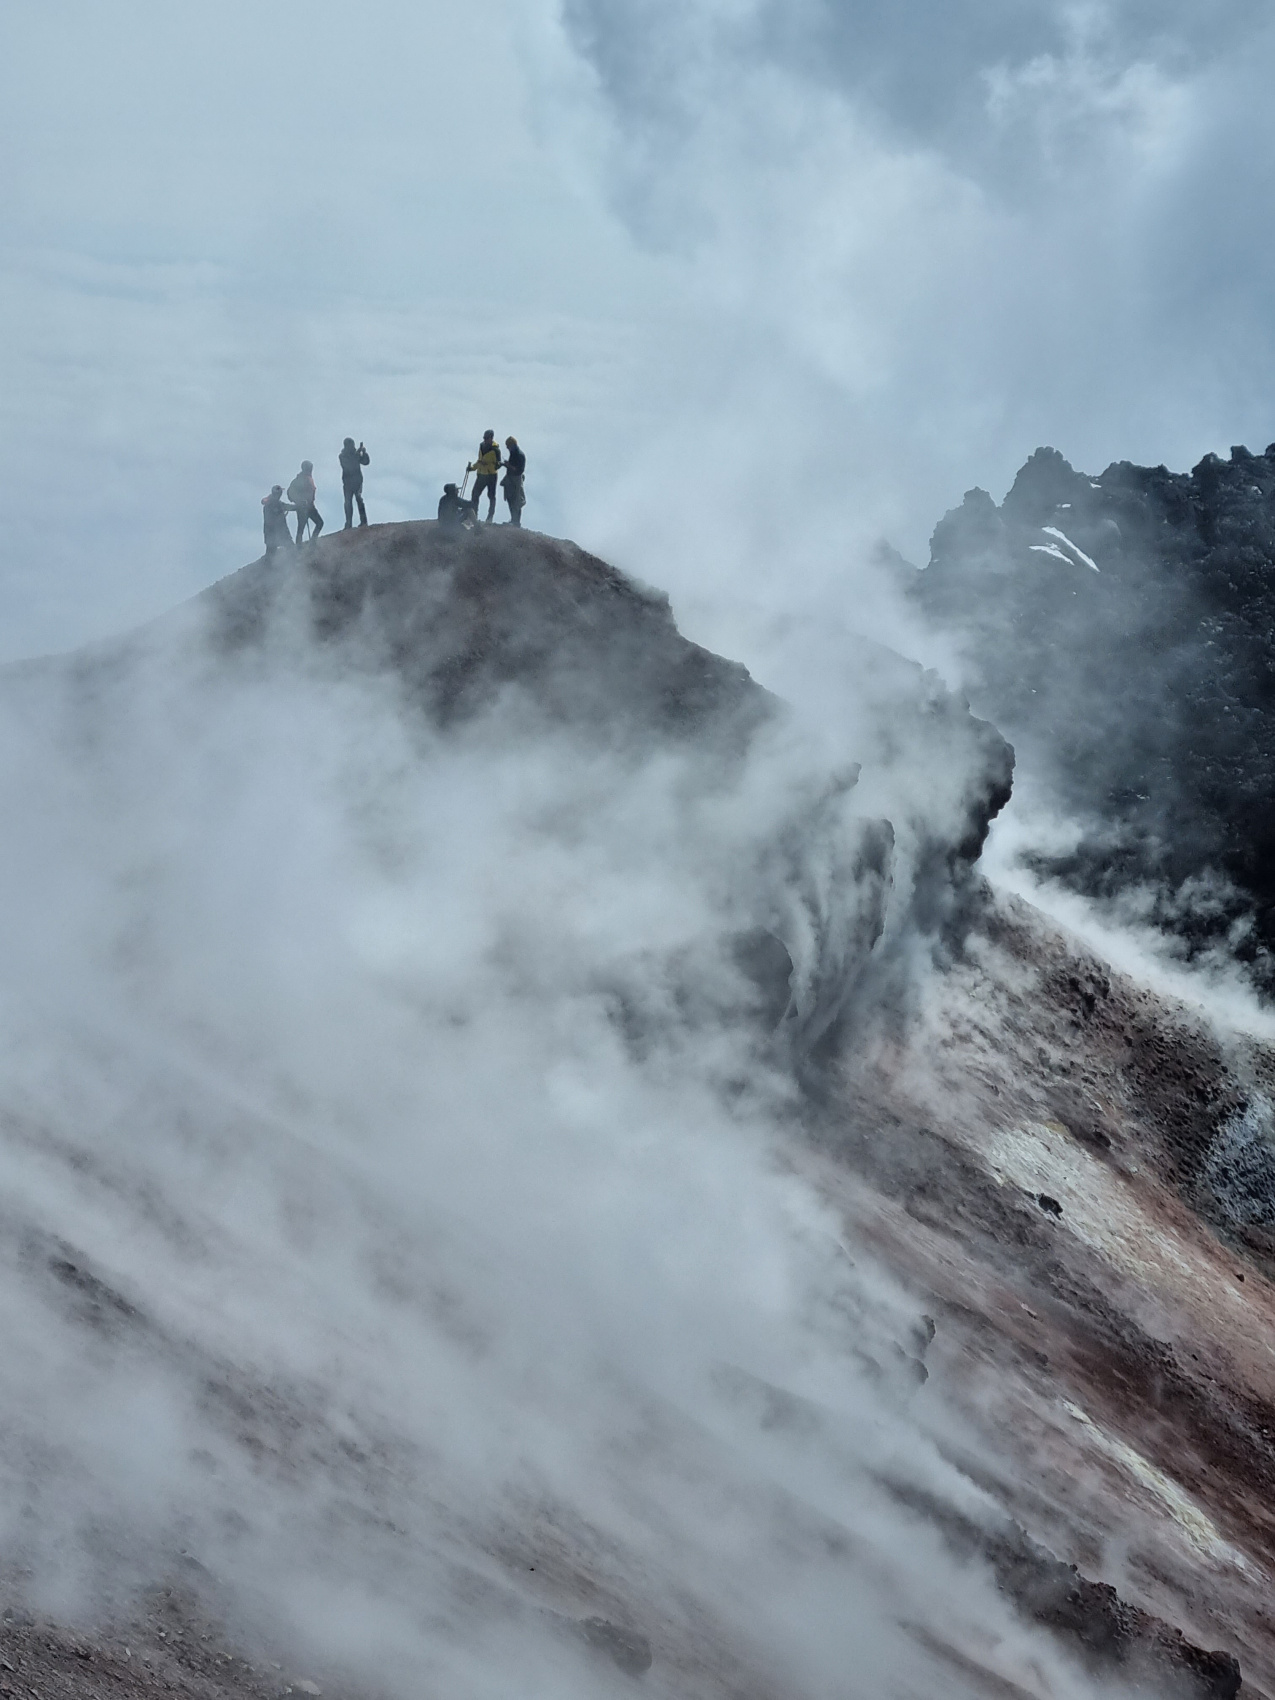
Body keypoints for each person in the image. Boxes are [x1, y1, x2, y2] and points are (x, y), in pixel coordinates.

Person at [467, 430, 501, 523]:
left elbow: (498, 464)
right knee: (475, 494)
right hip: (481, 474)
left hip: (491, 475)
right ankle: (474, 516)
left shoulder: (496, 450)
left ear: (491, 438)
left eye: (486, 438)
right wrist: (472, 468)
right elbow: (479, 460)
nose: (485, 440)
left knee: (491, 496)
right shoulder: (481, 446)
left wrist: (489, 464)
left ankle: (490, 517)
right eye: (484, 438)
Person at [287, 461, 323, 543]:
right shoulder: (298, 480)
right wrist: (299, 501)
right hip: (302, 507)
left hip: (310, 506)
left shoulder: (308, 479)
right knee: (301, 529)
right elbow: (290, 493)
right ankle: (299, 548)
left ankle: (313, 541)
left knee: (319, 523)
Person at [339, 437, 370, 529]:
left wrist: (364, 453)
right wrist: (358, 454)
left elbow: (366, 462)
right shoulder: (342, 456)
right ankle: (348, 523)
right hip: (348, 481)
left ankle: (363, 521)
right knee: (348, 502)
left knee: (359, 499)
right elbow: (348, 465)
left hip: (357, 480)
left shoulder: (355, 454)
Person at [261, 485, 297, 557]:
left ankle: (267, 566)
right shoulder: (275, 504)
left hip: (270, 533)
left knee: (270, 553)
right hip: (278, 532)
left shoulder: (270, 503)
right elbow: (287, 507)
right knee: (291, 548)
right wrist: (299, 506)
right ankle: (294, 563)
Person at [501, 436, 526, 527]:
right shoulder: (513, 453)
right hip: (510, 478)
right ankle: (513, 519)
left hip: (516, 479)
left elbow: (519, 470)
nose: (507, 448)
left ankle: (516, 521)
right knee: (510, 498)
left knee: (517, 500)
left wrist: (508, 465)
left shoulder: (519, 455)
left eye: (508, 446)